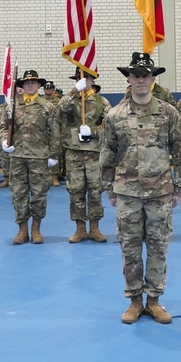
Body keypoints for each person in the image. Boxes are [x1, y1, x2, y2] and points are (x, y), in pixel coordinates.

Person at [101, 52, 181, 324]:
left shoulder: (168, 113)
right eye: (135, 75)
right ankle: (134, 301)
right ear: (128, 79)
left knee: (158, 247)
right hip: (127, 194)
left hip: (160, 193)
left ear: (153, 79)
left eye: (145, 76)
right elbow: (107, 155)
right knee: (129, 248)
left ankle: (154, 301)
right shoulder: (114, 115)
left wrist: (179, 189)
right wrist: (111, 191)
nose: (140, 80)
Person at [0, 69, 58, 244]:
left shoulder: (48, 107)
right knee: (18, 194)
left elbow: (55, 132)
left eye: (33, 82)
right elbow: (4, 127)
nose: (30, 85)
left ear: (39, 85)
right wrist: (4, 141)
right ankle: (22, 229)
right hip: (17, 157)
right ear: (22, 86)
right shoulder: (13, 106)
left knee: (39, 194)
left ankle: (36, 229)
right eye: (26, 83)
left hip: (39, 157)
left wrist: (53, 155)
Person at [59, 68, 112, 243]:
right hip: (73, 152)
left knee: (95, 190)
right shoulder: (71, 99)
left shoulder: (101, 102)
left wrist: (94, 131)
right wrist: (75, 91)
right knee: (76, 191)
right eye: (79, 79)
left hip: (94, 153)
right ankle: (80, 228)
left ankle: (95, 228)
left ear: (92, 80)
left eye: (86, 78)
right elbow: (58, 111)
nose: (83, 81)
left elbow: (110, 127)